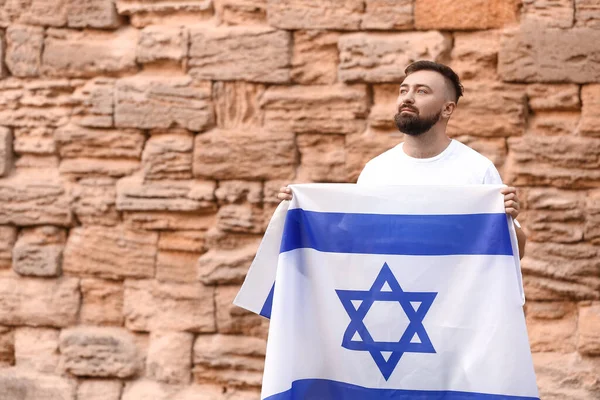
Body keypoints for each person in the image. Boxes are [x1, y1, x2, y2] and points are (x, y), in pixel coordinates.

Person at [278, 60, 526, 258]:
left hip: (453, 313)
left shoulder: (477, 170)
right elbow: (351, 243)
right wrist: (300, 209)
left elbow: (513, 254)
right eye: (403, 90)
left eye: (422, 91)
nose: (407, 98)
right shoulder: (377, 170)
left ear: (447, 109)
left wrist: (509, 219)